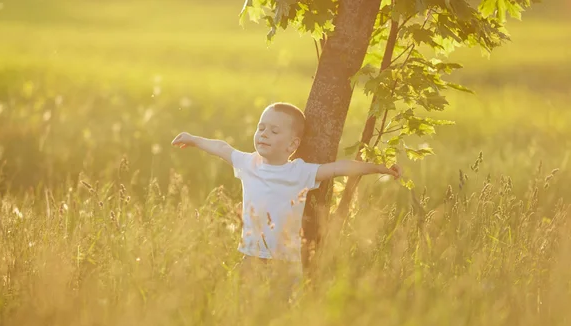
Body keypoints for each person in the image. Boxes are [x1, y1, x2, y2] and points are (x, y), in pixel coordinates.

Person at [172, 102, 402, 287]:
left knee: (280, 314)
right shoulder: (249, 163)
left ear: (292, 144)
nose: (264, 134)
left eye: (274, 131)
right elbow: (222, 148)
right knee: (242, 311)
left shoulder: (300, 172)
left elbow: (339, 167)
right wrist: (194, 139)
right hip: (251, 257)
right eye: (261, 128)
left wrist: (379, 167)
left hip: (285, 262)